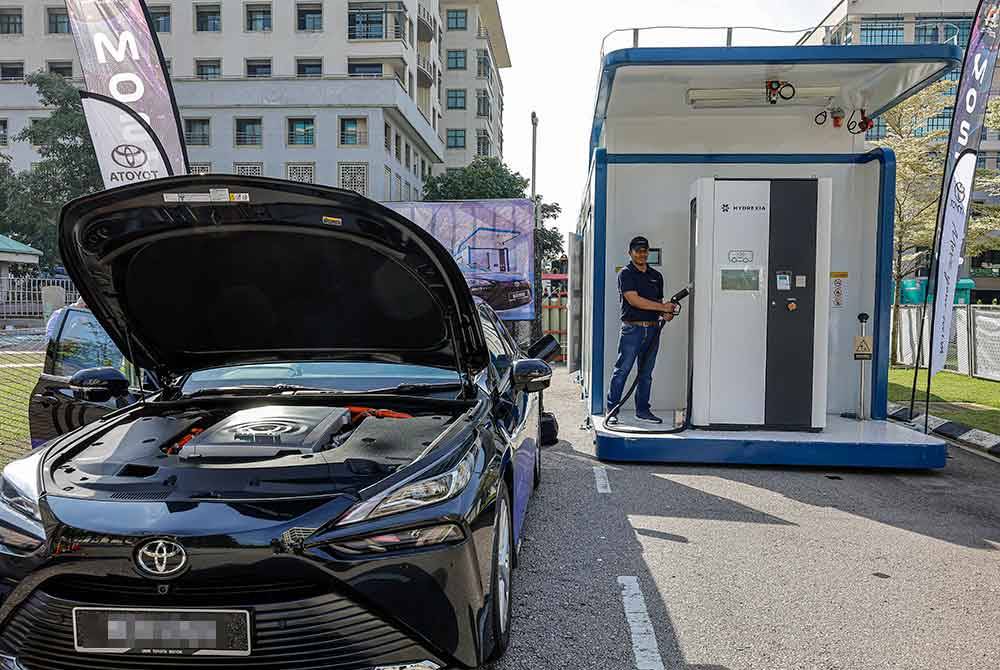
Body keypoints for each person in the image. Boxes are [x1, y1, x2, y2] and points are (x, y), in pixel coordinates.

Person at [606, 236, 676, 426]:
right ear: (630, 253)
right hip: (632, 330)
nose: (642, 254)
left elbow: (659, 304)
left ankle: (643, 411)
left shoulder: (656, 276)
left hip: (653, 330)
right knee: (622, 370)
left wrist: (665, 313)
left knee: (646, 373)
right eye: (637, 250)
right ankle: (612, 411)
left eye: (644, 250)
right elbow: (634, 300)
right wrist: (661, 308)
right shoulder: (626, 274)